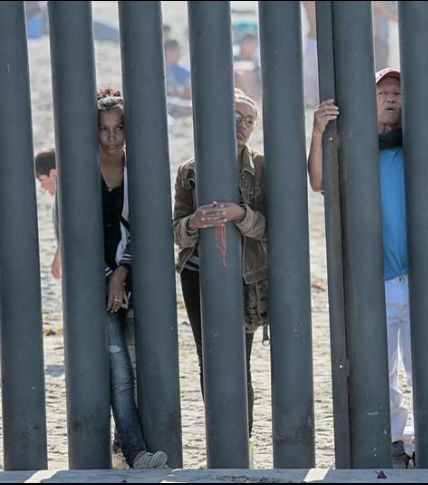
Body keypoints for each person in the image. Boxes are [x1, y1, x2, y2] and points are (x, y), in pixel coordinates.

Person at [307, 67, 428, 468]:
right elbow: (317, 181)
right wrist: (316, 131)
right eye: (383, 93)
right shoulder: (354, 144)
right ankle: (395, 441)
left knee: (425, 366)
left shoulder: (419, 142)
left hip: (419, 277)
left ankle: (422, 442)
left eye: (398, 93)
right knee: (382, 369)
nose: (392, 99)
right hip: (371, 279)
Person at [173, 88, 269, 441]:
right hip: (197, 274)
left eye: (249, 120)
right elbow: (176, 231)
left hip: (247, 276)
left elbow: (272, 227)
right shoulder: (189, 170)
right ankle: (219, 439)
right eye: (235, 119)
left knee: (239, 361)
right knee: (207, 357)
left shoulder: (261, 167)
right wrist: (195, 223)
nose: (242, 126)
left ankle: (241, 442)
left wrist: (240, 214)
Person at [95, 86, 168, 469]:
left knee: (146, 367)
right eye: (104, 129)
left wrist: (121, 273)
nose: (111, 137)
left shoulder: (138, 169)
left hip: (137, 277)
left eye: (118, 128)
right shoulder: (83, 169)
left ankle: (124, 445)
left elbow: (146, 225)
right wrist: (109, 276)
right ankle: (136, 453)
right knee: (119, 371)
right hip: (95, 283)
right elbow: (72, 231)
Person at [34, 148, 61, 279]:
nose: (42, 187)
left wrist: (57, 260)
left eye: (42, 180)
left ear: (53, 173)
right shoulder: (59, 199)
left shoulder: (64, 200)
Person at [372, 1, 398, 70]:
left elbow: (398, 17)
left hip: (381, 40)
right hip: (370, 40)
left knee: (381, 71)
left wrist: (382, 8)